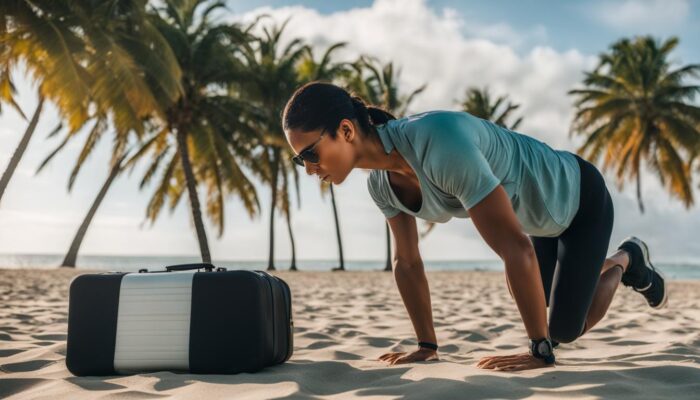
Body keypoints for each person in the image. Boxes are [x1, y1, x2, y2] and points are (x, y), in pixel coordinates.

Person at [281, 81, 668, 372]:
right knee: (542, 293)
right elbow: (408, 263)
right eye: (300, 161)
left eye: (310, 153)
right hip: (540, 222)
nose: (310, 168)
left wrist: (539, 349)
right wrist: (426, 345)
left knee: (563, 330)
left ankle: (625, 259)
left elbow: (515, 249)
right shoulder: (381, 184)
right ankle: (612, 265)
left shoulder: (438, 142)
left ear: (346, 131)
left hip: (579, 199)